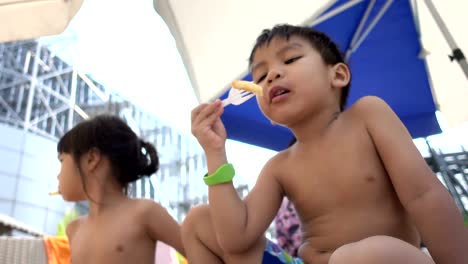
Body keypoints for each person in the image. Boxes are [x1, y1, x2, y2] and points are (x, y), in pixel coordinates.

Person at [183, 24, 468, 264]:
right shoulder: (279, 167)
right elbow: (236, 239)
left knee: (367, 254)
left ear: (338, 75)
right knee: (197, 223)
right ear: (267, 113)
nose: (271, 76)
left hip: (388, 258)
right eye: (259, 76)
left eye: (290, 59)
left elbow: (424, 194)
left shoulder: (368, 116)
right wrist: (215, 152)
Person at [56, 114, 185, 264]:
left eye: (62, 160)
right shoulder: (74, 229)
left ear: (91, 159)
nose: (58, 175)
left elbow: (200, 253)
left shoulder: (144, 212)